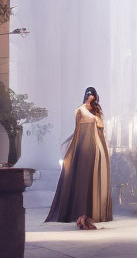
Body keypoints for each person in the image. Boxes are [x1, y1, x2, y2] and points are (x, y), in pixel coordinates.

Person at [44, 86, 113, 228]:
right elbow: (78, 128)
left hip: (97, 146)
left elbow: (101, 125)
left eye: (93, 94)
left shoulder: (96, 111)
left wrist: (96, 118)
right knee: (83, 176)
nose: (91, 97)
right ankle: (81, 212)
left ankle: (96, 212)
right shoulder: (80, 110)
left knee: (96, 176)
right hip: (85, 146)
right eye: (89, 94)